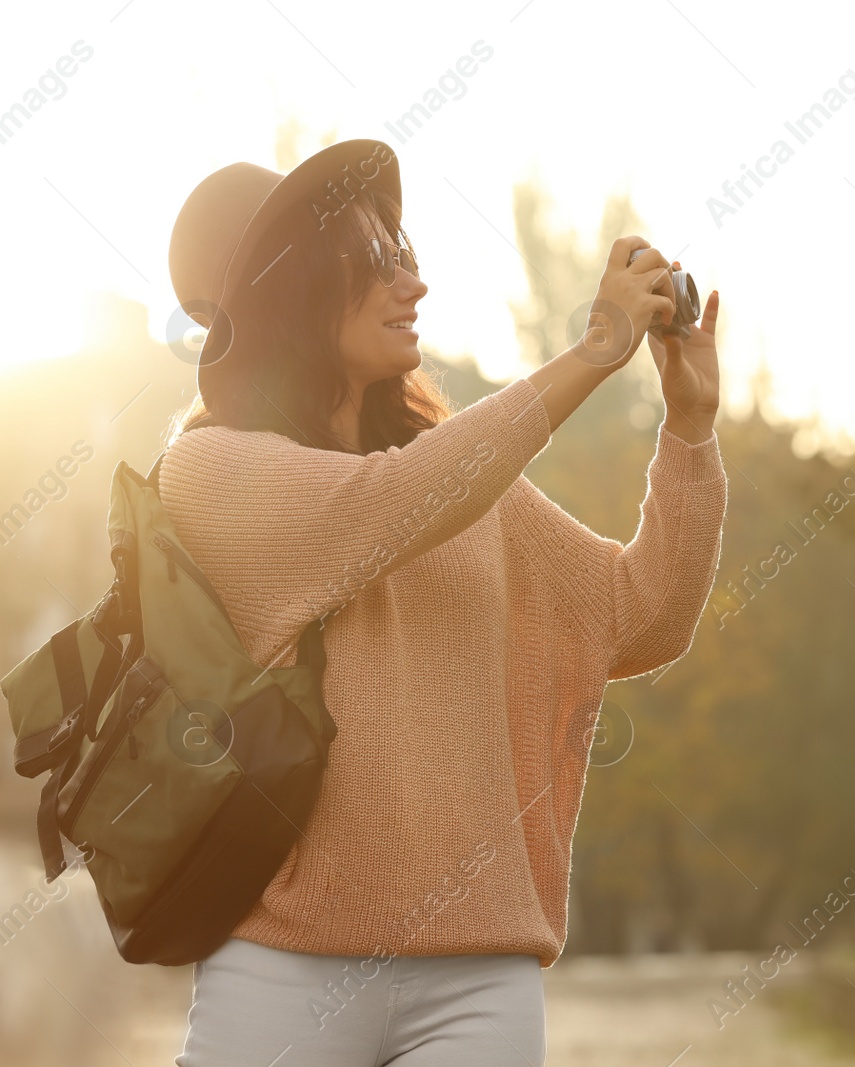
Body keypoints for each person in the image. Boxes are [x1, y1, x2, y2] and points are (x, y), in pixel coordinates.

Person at [162, 140, 727, 1065]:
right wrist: (593, 351)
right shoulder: (212, 472)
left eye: (408, 257)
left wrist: (692, 432)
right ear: (290, 290)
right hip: (278, 973)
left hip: (478, 978)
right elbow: (389, 504)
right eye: (377, 261)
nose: (412, 284)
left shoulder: (472, 487)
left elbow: (642, 614)